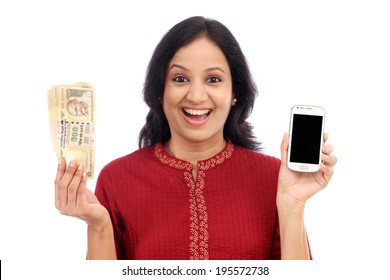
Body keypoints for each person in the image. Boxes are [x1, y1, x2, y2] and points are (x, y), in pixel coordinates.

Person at [54, 16, 337, 260]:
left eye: (213, 79)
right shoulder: (118, 178)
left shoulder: (274, 177)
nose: (197, 96)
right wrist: (98, 224)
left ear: (235, 92)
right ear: (160, 90)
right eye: (180, 79)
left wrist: (293, 204)